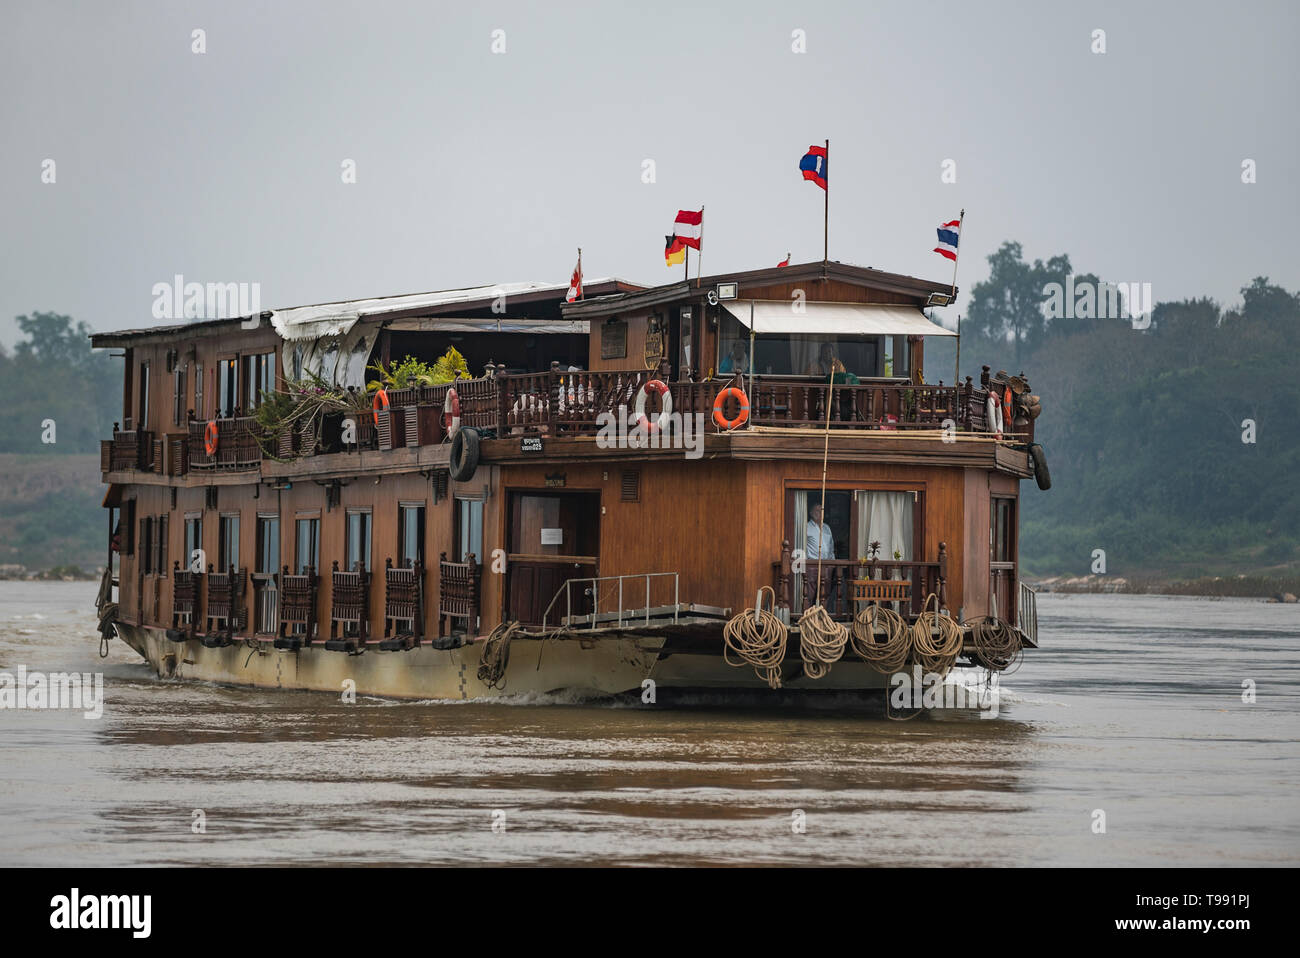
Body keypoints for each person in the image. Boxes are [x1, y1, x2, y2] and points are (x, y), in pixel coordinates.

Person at [804, 503, 839, 610]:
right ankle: (808, 615)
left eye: (821, 511)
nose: (819, 513)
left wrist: (832, 564)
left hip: (827, 565)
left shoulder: (827, 528)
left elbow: (831, 547)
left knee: (825, 592)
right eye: (816, 511)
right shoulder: (806, 527)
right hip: (812, 564)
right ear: (810, 513)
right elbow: (801, 546)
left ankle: (822, 615)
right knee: (810, 592)